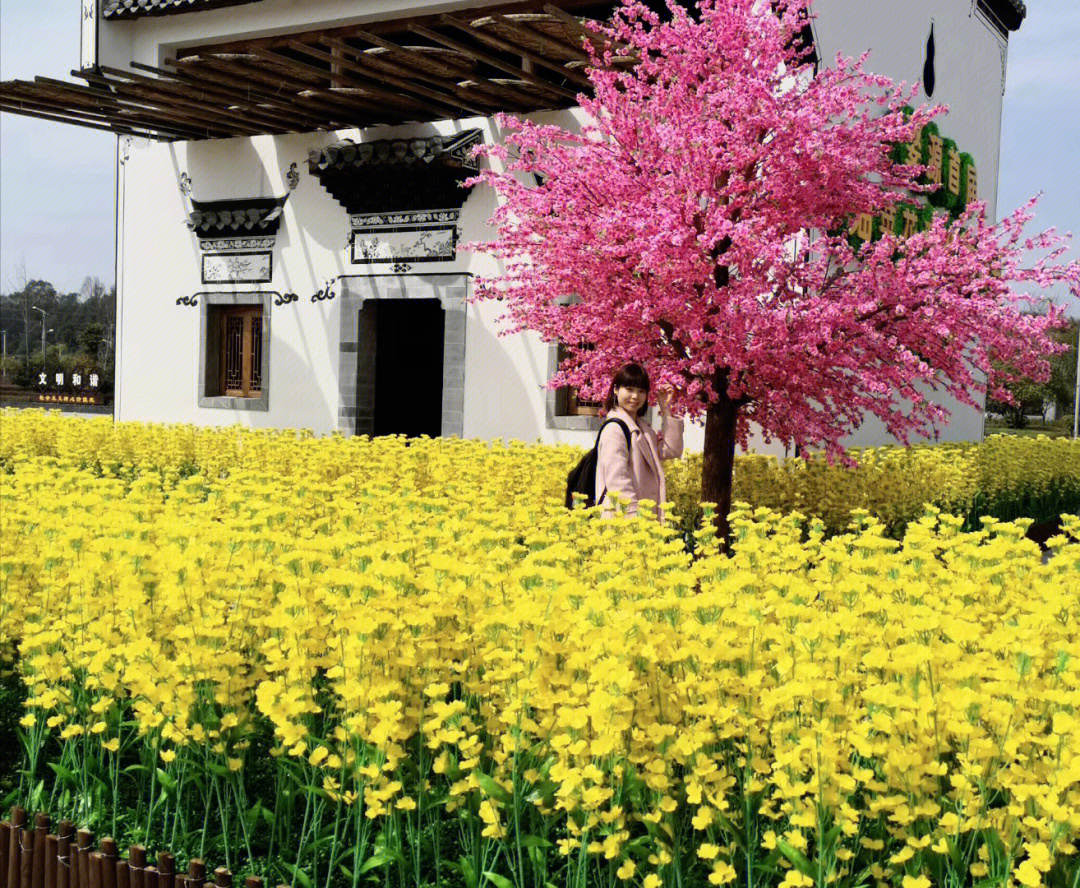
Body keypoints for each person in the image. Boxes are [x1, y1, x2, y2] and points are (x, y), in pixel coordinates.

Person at [594, 363, 684, 523]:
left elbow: (671, 450)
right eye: (629, 389)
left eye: (641, 391)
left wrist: (666, 410)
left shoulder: (643, 428)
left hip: (643, 518)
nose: (635, 396)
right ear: (616, 389)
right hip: (625, 521)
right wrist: (636, 521)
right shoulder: (615, 428)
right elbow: (618, 482)